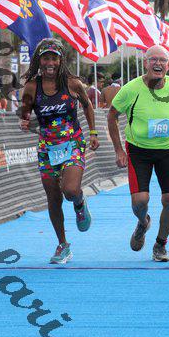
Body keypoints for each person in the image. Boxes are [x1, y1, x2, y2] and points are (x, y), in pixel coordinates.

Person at [107, 45, 169, 262]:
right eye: (153, 59)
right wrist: (118, 150)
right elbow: (111, 116)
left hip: (167, 151)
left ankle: (160, 244)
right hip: (138, 151)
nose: (158, 64)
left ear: (168, 65)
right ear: (146, 63)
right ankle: (143, 222)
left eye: (162, 60)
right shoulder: (131, 89)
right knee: (140, 201)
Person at [20, 38, 99, 264]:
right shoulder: (32, 87)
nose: (50, 63)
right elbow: (25, 116)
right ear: (39, 61)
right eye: (46, 58)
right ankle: (63, 245)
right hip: (47, 147)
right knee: (53, 197)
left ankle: (79, 201)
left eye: (54, 58)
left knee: (70, 190)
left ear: (61, 60)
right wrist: (25, 122)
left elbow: (87, 105)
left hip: (72, 143)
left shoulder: (72, 83)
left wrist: (93, 133)